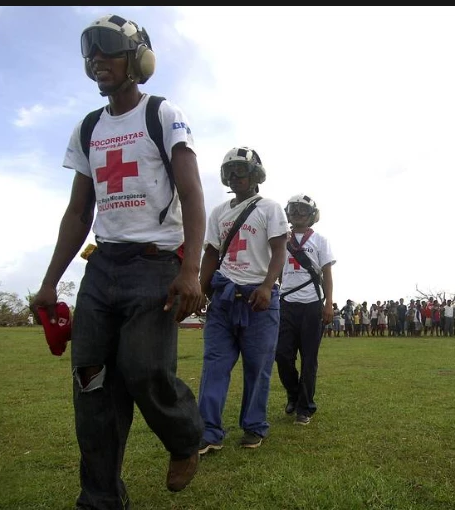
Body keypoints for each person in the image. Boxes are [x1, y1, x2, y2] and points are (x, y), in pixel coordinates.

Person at [30, 14, 206, 505]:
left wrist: (190, 269)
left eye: (107, 51)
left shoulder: (162, 114)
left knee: (144, 368)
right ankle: (100, 498)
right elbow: (78, 210)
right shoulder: (88, 128)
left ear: (137, 59)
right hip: (102, 269)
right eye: (90, 54)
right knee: (92, 385)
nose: (95, 61)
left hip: (155, 267)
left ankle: (185, 438)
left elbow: (193, 196)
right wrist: (49, 283)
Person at [197, 146, 288, 454]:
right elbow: (211, 252)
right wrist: (201, 289)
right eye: (230, 172)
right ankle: (208, 431)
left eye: (242, 171)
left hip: (258, 299)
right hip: (223, 296)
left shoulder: (270, 208)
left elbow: (279, 251)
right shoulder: (219, 212)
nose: (236, 177)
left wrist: (267, 285)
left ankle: (253, 426)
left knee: (257, 366)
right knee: (215, 364)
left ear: (255, 176)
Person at [275, 194, 335, 426]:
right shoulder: (281, 239)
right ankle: (293, 393)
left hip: (312, 305)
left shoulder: (320, 240)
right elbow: (276, 269)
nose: (298, 213)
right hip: (286, 303)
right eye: (294, 209)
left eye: (303, 210)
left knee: (309, 359)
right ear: (288, 212)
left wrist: (328, 303)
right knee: (282, 355)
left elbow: (327, 275)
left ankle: (305, 407)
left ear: (311, 214)